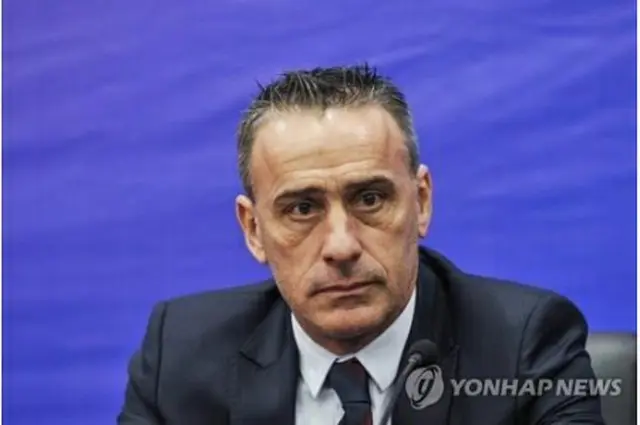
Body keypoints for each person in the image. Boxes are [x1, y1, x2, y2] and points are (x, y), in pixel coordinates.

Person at [117, 65, 605, 425]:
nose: (341, 246)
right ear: (253, 229)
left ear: (421, 202)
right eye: (302, 208)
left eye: (369, 199)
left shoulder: (525, 348)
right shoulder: (179, 355)